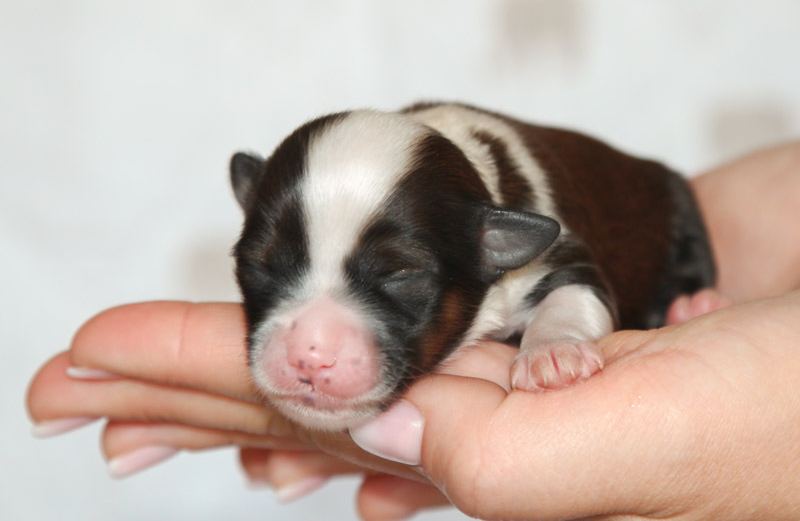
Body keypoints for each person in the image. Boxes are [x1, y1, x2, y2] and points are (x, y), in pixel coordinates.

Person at [27, 141, 800, 521]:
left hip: (675, 238)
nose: (309, 347)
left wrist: (556, 337)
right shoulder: (404, 207)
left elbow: (575, 279)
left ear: (495, 248)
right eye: (266, 269)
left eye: (395, 279)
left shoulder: (512, 227)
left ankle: (692, 300)